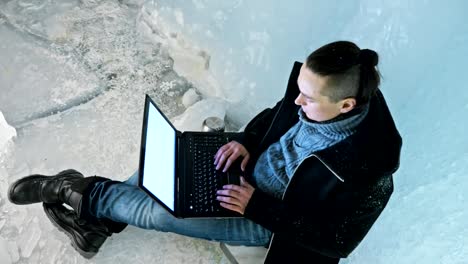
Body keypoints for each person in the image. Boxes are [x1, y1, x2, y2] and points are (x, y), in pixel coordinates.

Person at [8, 40, 402, 263]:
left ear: (346, 106)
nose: (297, 100)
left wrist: (256, 208)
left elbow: (337, 241)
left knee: (160, 209)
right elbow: (275, 114)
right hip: (248, 170)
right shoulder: (321, 95)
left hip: (267, 218)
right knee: (169, 165)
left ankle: (79, 192)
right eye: (299, 88)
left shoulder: (368, 168)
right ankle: (98, 221)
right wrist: (248, 140)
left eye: (308, 97)